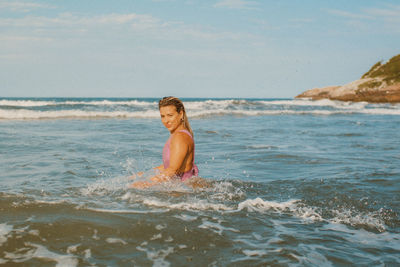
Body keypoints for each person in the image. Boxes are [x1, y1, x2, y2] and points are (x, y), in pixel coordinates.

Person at [130, 96, 199, 188]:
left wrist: (147, 183)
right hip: (181, 190)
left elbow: (172, 170)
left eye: (170, 115)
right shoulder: (179, 135)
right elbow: (171, 165)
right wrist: (143, 175)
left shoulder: (180, 137)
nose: (166, 120)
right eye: (162, 116)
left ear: (181, 114)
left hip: (183, 192)